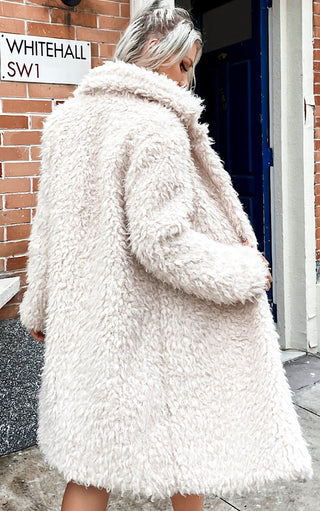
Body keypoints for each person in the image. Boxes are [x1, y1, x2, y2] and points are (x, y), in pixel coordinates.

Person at [20, 2, 312, 511]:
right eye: (184, 65)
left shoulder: (65, 123)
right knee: (185, 448)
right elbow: (162, 243)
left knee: (90, 467)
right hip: (146, 327)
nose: (189, 81)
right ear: (156, 51)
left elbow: (48, 229)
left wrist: (39, 305)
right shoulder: (156, 125)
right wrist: (244, 270)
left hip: (88, 325)